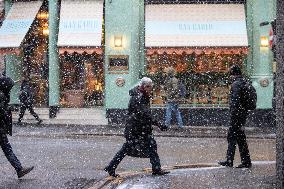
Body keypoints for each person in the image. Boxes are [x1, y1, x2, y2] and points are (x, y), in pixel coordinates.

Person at [104, 77, 170, 177]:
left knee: (138, 147)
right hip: (136, 129)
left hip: (138, 128)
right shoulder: (139, 97)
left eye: (151, 87)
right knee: (133, 148)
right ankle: (111, 167)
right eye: (148, 87)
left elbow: (144, 114)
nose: (150, 89)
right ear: (143, 86)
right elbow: (144, 115)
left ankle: (111, 167)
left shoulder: (142, 95)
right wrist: (159, 124)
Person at [218, 65, 252, 168]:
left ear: (233, 74)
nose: (229, 77)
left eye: (230, 74)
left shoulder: (236, 84)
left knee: (232, 137)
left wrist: (233, 114)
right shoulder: (245, 82)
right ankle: (246, 161)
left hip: (237, 115)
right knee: (241, 137)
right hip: (243, 114)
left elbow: (235, 102)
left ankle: (229, 161)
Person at [0, 76, 34, 178]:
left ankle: (19, 169)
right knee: (7, 149)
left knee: (7, 149)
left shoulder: (2, 93)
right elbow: (2, 112)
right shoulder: (1, 95)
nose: (10, 89)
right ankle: (19, 169)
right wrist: (7, 110)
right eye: (9, 87)